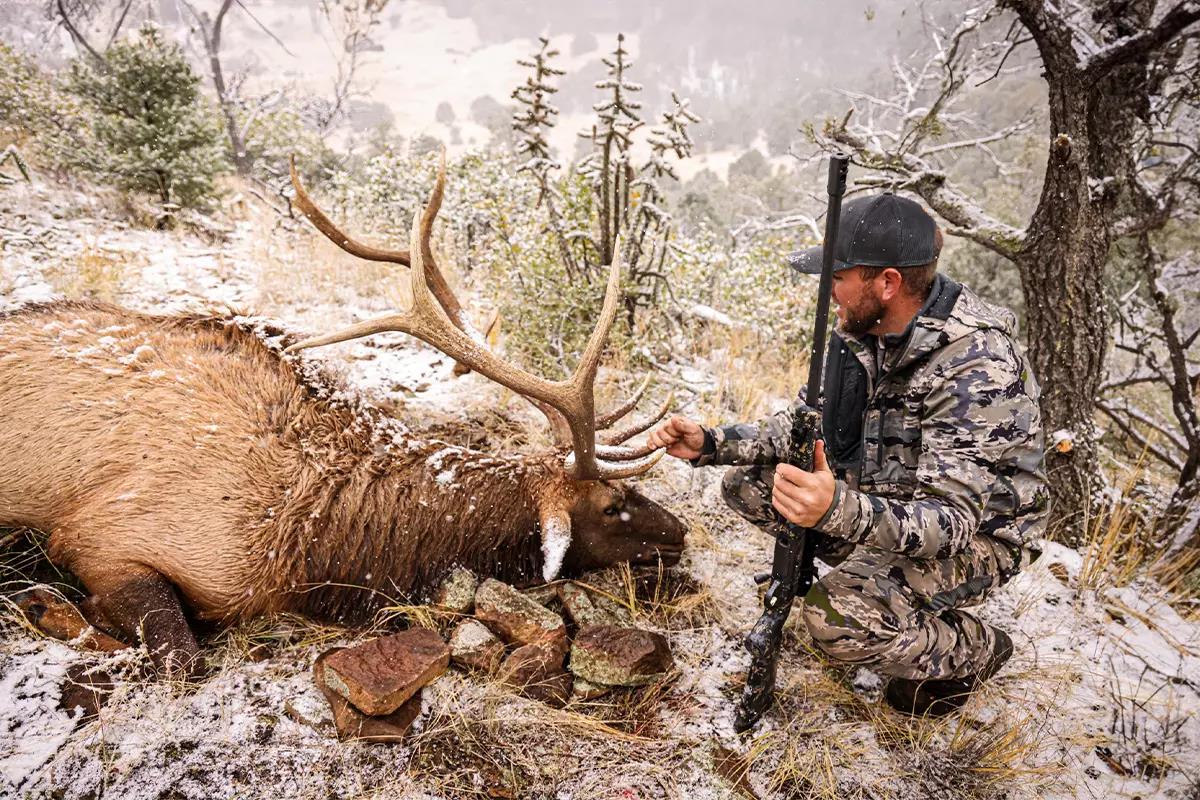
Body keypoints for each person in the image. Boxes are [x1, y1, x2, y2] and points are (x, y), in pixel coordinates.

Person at [649, 193, 1049, 716]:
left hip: (977, 537)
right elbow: (803, 425)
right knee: (749, 485)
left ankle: (974, 648)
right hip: (891, 498)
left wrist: (835, 507)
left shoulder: (975, 367)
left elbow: (950, 524)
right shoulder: (865, 332)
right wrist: (711, 442)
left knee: (835, 620)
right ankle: (859, 577)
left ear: (887, 283)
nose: (828, 291)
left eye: (838, 276)